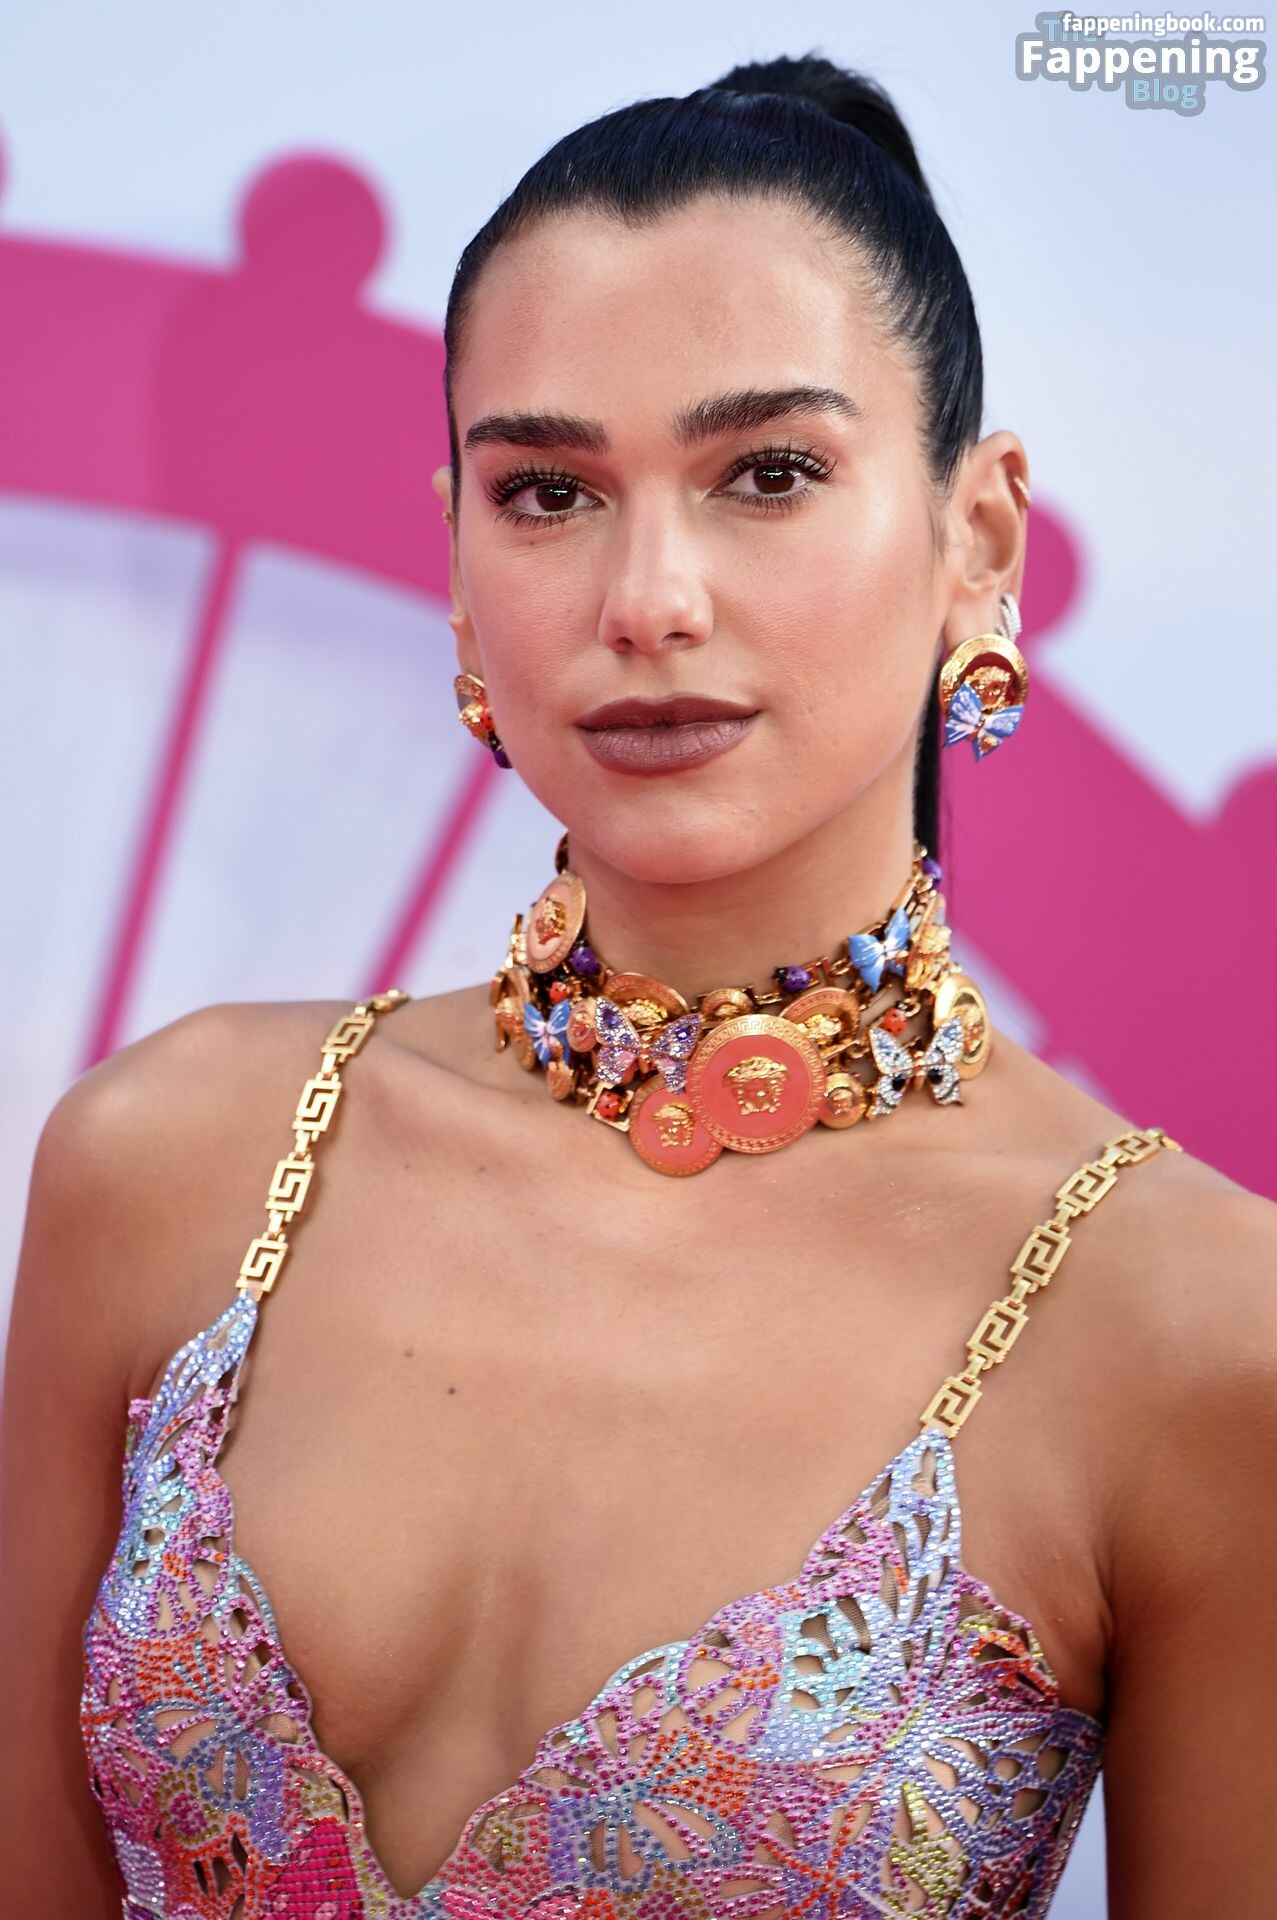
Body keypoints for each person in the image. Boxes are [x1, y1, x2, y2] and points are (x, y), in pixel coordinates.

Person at [2, 51, 1272, 1920]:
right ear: (455, 557)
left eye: (767, 474)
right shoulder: (168, 1162)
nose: (648, 599)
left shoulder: (1194, 1331)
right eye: (547, 491)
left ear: (977, 540)